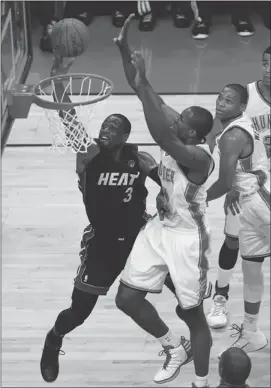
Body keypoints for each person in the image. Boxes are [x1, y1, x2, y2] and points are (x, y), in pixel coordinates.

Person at [39, 53, 165, 383]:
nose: (106, 129)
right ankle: (53, 340)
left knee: (180, 283)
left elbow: (170, 182)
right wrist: (58, 77)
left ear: (125, 136)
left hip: (140, 236)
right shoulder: (89, 153)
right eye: (105, 124)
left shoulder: (140, 158)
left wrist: (168, 194)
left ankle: (185, 336)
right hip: (102, 243)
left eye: (114, 127)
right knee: (79, 313)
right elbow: (67, 116)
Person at [114, 14, 214, 388]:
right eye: (178, 118)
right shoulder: (182, 132)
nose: (175, 123)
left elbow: (161, 132)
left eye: (182, 122)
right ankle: (174, 347)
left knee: (193, 315)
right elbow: (144, 91)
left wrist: (143, 85)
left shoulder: (201, 156)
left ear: (194, 133)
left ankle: (201, 383)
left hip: (188, 240)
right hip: (160, 229)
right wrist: (125, 51)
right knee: (126, 299)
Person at [206, 47, 271, 329]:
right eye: (265, 63)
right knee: (233, 240)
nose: (268, 70)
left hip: (261, 180)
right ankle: (220, 295)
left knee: (253, 257)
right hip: (246, 186)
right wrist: (229, 179)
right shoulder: (244, 98)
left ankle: (251, 325)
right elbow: (216, 135)